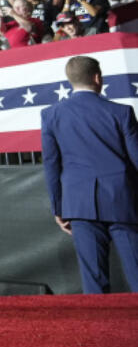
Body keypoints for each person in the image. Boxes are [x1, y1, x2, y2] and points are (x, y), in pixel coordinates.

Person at [40, 55, 138, 294]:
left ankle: (97, 330)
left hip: (79, 204)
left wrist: (58, 208)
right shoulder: (122, 112)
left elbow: (51, 164)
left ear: (70, 81)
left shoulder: (51, 114)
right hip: (122, 201)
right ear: (97, 78)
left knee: (94, 283)